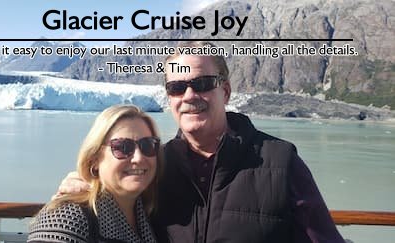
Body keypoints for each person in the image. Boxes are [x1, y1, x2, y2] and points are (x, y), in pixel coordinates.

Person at [55, 41, 345, 243]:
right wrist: (82, 184)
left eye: (203, 84)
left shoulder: (280, 162)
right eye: (177, 87)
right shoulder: (154, 165)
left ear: (226, 92)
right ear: (169, 98)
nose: (190, 95)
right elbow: (116, 193)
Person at [28, 105, 162, 242]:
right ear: (95, 159)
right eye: (123, 147)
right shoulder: (67, 220)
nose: (138, 158)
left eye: (148, 145)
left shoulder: (150, 215)